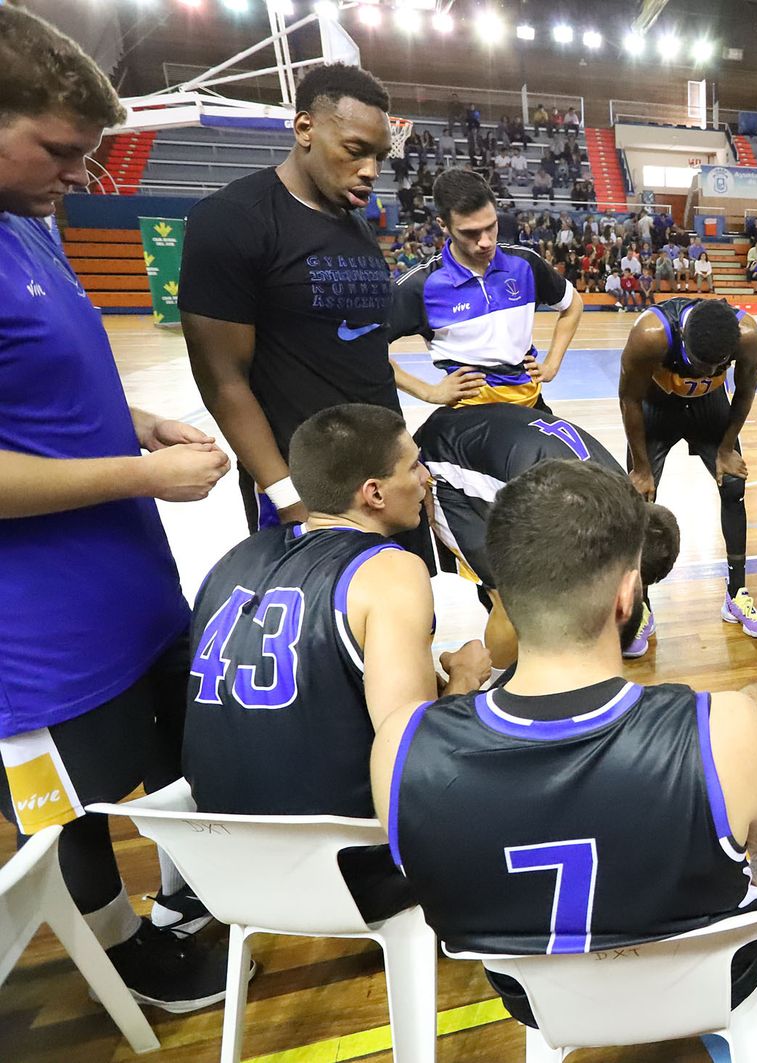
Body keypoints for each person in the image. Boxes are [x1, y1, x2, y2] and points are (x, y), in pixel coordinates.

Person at [370, 460, 757, 1027]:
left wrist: (462, 684)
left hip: (535, 1003)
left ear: (504, 597)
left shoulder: (399, 747)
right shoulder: (729, 726)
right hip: (716, 985)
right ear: (626, 596)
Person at [0, 6, 235, 1011]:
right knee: (69, 812)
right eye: (59, 149)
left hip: (127, 582)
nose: (81, 172)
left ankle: (185, 903)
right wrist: (140, 476)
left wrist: (139, 425)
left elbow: (40, 387)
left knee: (179, 750)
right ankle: (125, 959)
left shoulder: (27, 221)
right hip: (35, 631)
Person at [182, 405, 489, 920]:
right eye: (413, 466)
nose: (426, 478)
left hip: (221, 869)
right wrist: (464, 678)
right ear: (374, 493)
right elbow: (415, 754)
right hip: (346, 874)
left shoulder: (233, 558)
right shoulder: (391, 571)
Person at [181, 63, 395, 532]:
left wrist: (406, 463)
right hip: (306, 489)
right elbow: (223, 382)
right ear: (304, 128)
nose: (371, 171)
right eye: (356, 151)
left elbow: (365, 358)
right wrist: (288, 498)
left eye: (380, 157)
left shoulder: (356, 228)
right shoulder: (232, 219)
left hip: (384, 477)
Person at [413, 402, 680, 660]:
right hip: (442, 460)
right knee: (510, 600)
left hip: (480, 429)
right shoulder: (567, 511)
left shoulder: (621, 494)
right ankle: (501, 685)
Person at [618, 297, 757, 637]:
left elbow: (746, 391)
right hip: (656, 409)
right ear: (684, 340)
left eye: (717, 368)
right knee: (639, 500)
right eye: (700, 365)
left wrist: (727, 448)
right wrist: (641, 467)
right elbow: (629, 399)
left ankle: (737, 593)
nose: (707, 374)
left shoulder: (748, 336)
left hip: (708, 407)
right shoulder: (651, 334)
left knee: (733, 485)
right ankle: (641, 604)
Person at [387, 169, 582, 411]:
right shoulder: (421, 284)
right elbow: (367, 347)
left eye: (491, 226)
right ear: (443, 225)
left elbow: (572, 304)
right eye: (470, 232)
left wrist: (552, 364)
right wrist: (428, 392)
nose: (485, 241)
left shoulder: (525, 264)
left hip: (530, 406)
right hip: (468, 413)